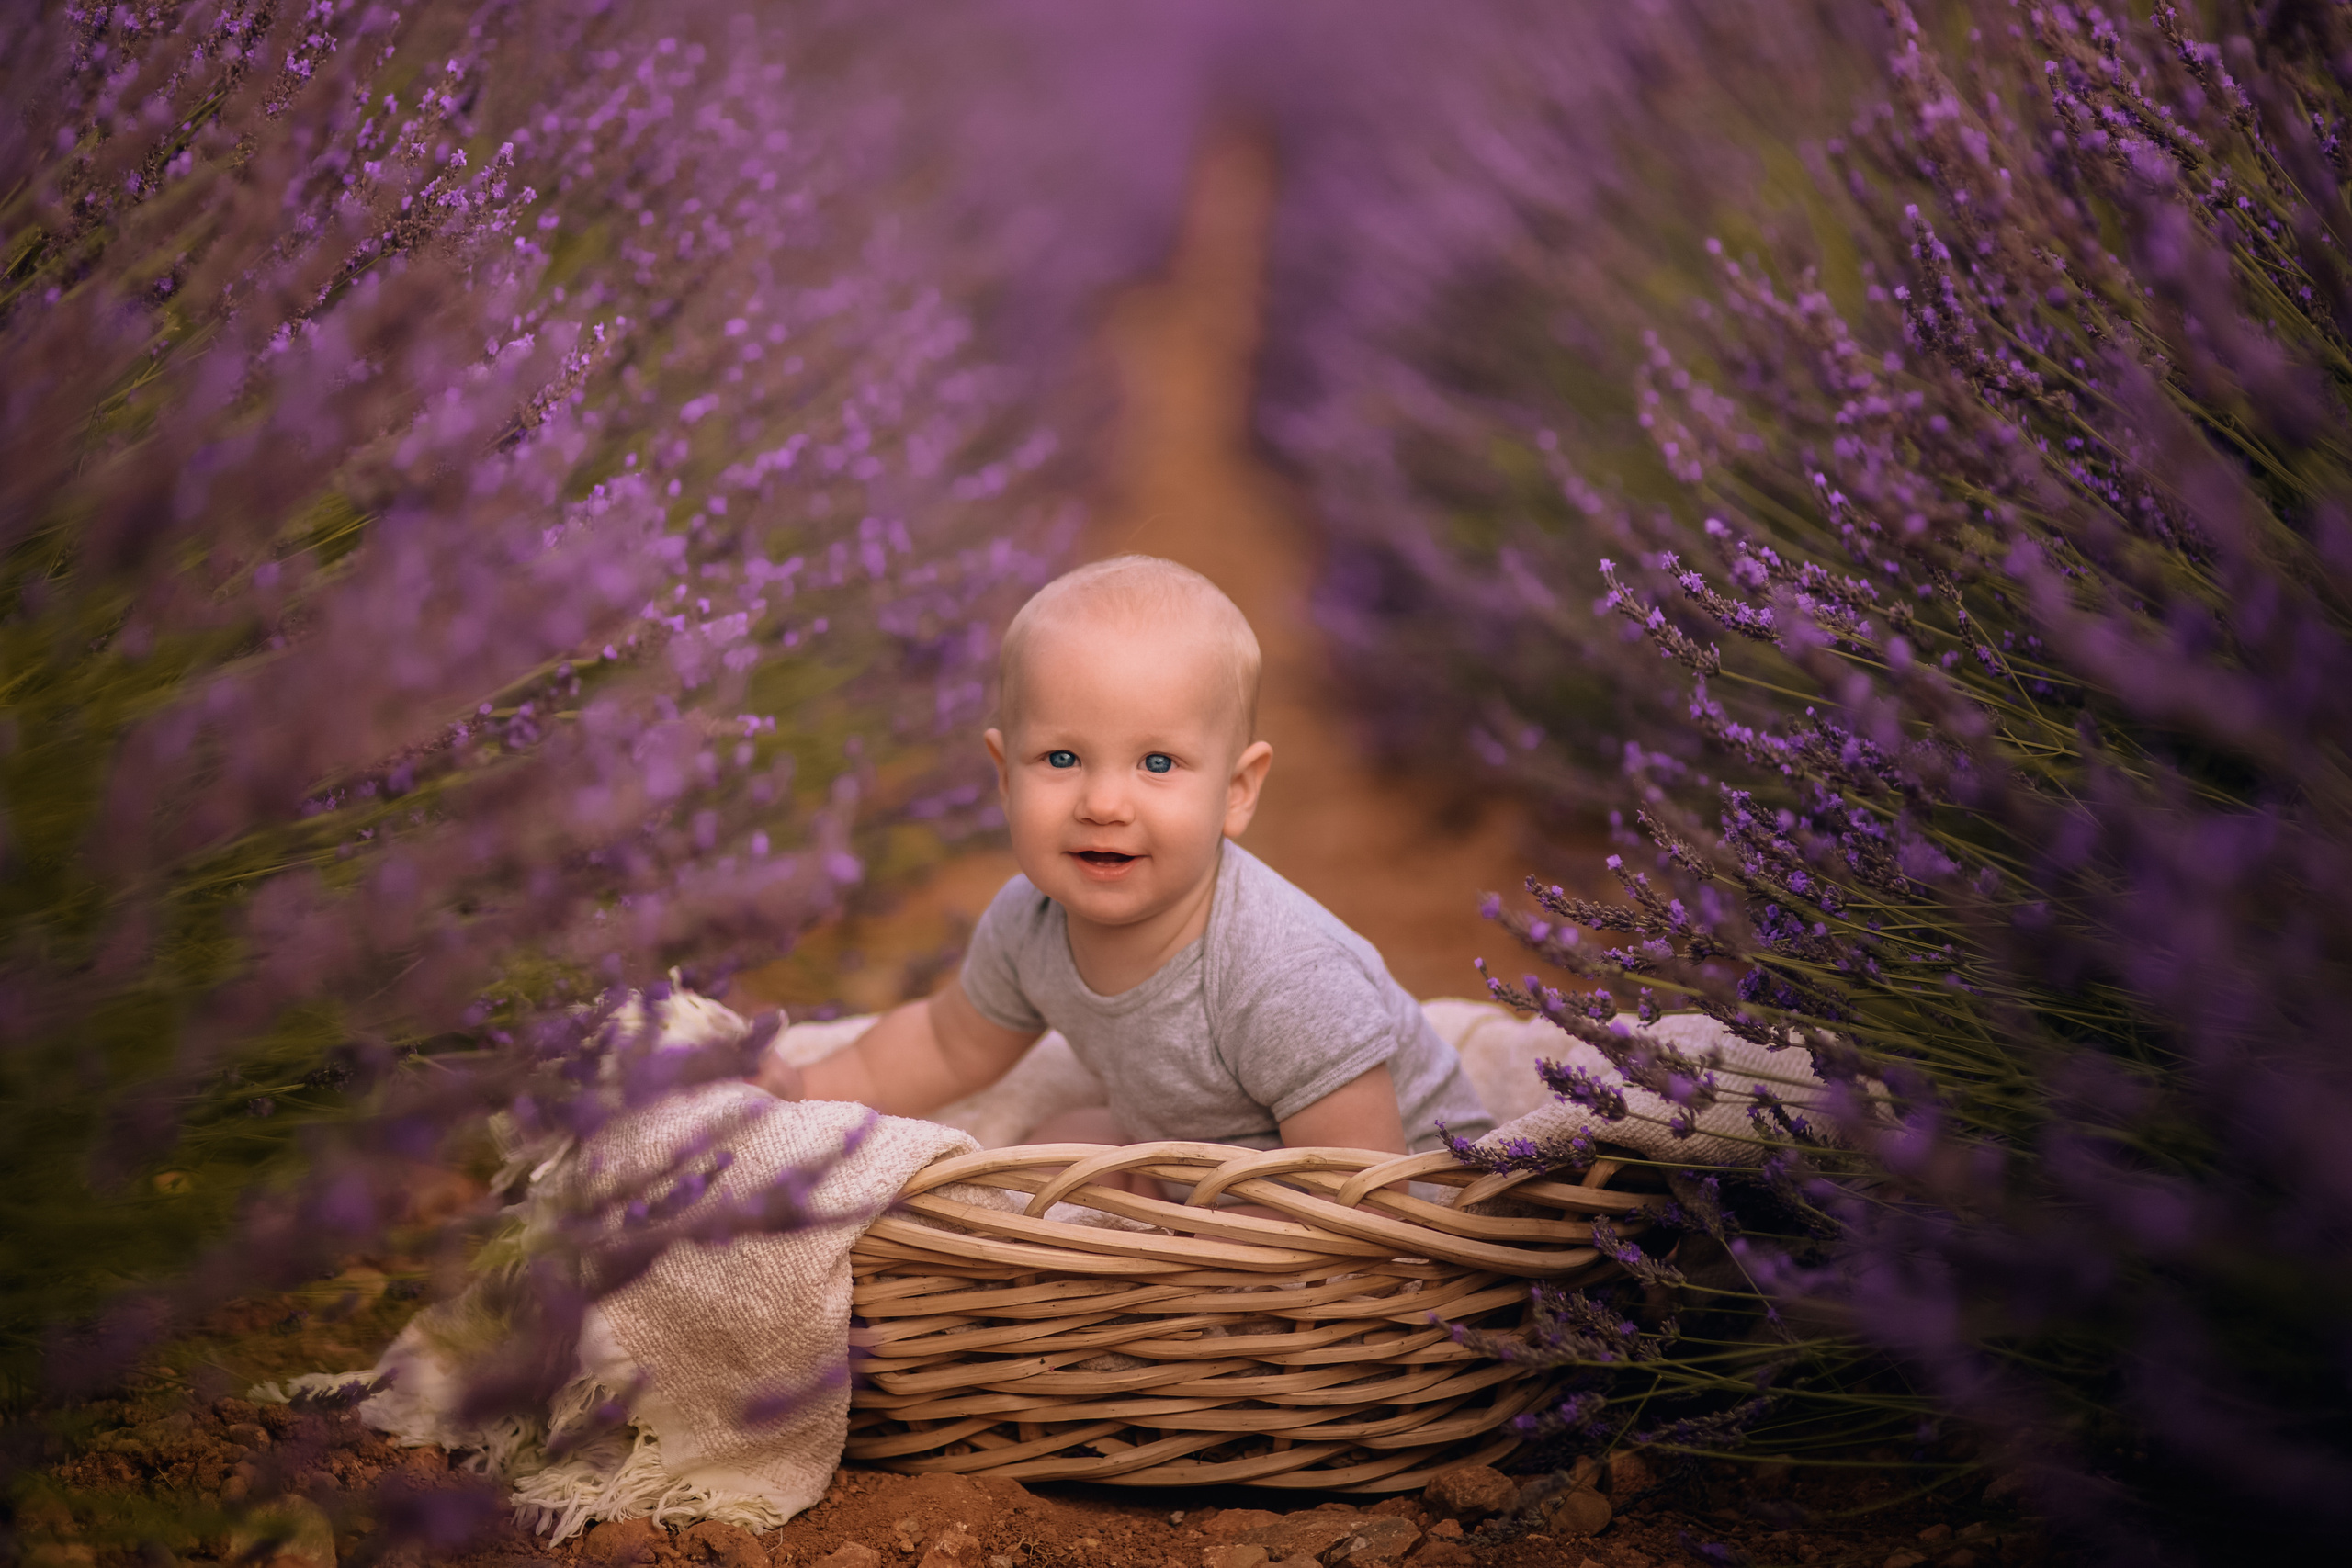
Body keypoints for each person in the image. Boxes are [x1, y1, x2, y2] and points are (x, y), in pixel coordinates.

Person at [753, 554, 1493, 1167]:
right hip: (1215, 1157)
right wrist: (801, 1087)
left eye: (1158, 762)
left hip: (1404, 1205)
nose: (1104, 802)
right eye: (1063, 757)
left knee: (1092, 1151)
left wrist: (1211, 1243)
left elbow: (1365, 1190)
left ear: (1236, 792)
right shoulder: (1028, 921)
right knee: (1056, 1150)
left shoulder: (1281, 974)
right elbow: (947, 1042)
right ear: (1005, 776)